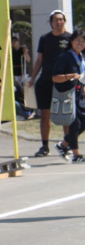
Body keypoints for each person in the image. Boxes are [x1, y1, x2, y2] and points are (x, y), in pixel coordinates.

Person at [29, 10, 71, 157]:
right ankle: (44, 146)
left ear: (64, 21)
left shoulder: (70, 38)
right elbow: (39, 59)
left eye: (61, 20)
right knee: (45, 114)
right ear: (51, 22)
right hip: (45, 81)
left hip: (64, 82)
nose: (58, 22)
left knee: (66, 114)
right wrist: (32, 78)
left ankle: (68, 144)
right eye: (55, 20)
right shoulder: (44, 38)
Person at [51, 29, 85, 163]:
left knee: (83, 122)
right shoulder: (64, 57)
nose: (80, 43)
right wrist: (70, 76)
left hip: (79, 95)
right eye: (78, 40)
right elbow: (55, 78)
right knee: (75, 122)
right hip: (67, 95)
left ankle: (63, 145)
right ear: (71, 42)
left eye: (83, 41)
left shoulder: (81, 57)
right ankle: (76, 155)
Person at [12, 35, 35, 120]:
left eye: (15, 41)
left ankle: (30, 109)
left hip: (23, 73)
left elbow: (28, 60)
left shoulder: (22, 50)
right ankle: (20, 109)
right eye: (12, 42)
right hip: (16, 73)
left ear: (18, 42)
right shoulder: (12, 51)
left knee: (26, 91)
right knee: (17, 91)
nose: (14, 43)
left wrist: (26, 52)